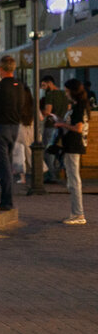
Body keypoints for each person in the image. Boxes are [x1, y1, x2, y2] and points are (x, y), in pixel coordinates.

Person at [0, 56, 32, 211]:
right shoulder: (20, 86)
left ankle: (6, 202)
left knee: (3, 167)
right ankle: (6, 200)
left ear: (0, 69)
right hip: (14, 127)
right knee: (6, 162)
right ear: (13, 69)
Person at [58, 79, 90, 225]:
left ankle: (78, 213)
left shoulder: (78, 107)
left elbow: (78, 128)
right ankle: (76, 213)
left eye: (67, 91)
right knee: (72, 178)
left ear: (72, 91)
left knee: (74, 179)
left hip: (73, 145)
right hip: (74, 145)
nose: (66, 94)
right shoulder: (82, 105)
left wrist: (62, 124)